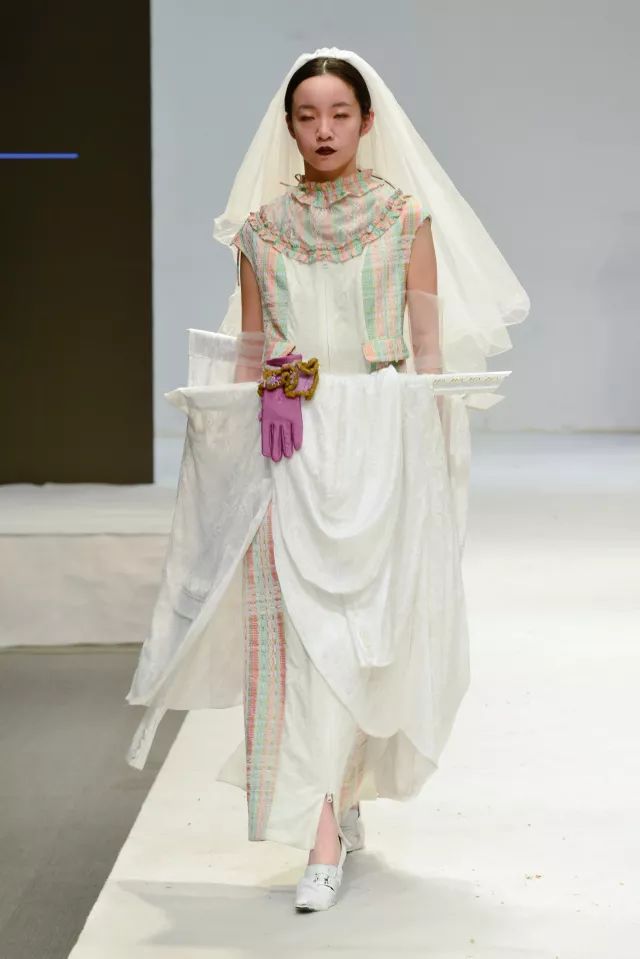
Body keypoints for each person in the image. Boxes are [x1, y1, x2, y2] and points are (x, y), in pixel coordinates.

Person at [125, 47, 530, 914]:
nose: (323, 130)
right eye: (307, 116)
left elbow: (426, 352)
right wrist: (262, 407)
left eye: (339, 114)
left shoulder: (404, 219)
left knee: (365, 640)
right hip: (293, 447)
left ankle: (341, 797)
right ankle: (319, 835)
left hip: (381, 448)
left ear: (366, 121)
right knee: (303, 644)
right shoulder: (261, 232)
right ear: (289, 126)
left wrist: (428, 465)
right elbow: (254, 351)